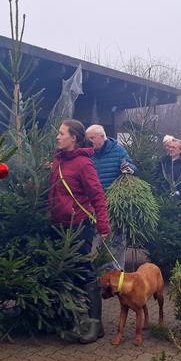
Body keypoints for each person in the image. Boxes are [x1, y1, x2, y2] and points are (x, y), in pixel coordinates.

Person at [48, 119, 111, 344]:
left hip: (79, 225)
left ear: (73, 138)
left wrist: (103, 225)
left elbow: (98, 195)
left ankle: (95, 325)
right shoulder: (58, 161)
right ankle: (77, 319)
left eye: (61, 133)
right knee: (69, 272)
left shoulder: (83, 164)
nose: (57, 136)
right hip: (59, 225)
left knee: (84, 271)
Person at [86, 124, 136, 269]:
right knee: (96, 241)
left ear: (102, 137)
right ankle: (97, 273)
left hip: (113, 205)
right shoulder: (87, 152)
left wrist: (128, 168)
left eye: (92, 138)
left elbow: (132, 166)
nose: (89, 141)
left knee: (116, 242)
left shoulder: (118, 151)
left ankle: (117, 273)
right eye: (88, 138)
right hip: (92, 205)